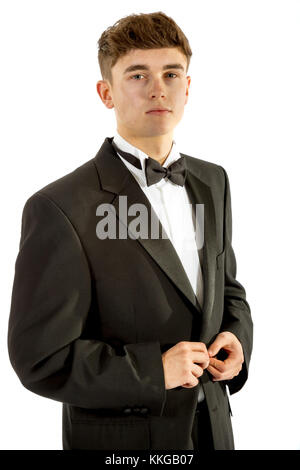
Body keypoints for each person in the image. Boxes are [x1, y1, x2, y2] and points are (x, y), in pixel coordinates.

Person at [7, 11, 253, 450]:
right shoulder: (58, 207)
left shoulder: (213, 182)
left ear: (188, 87)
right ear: (106, 93)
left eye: (171, 73)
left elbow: (228, 289)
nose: (158, 88)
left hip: (215, 432)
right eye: (137, 75)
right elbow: (40, 358)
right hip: (123, 443)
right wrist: (153, 371)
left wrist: (237, 338)